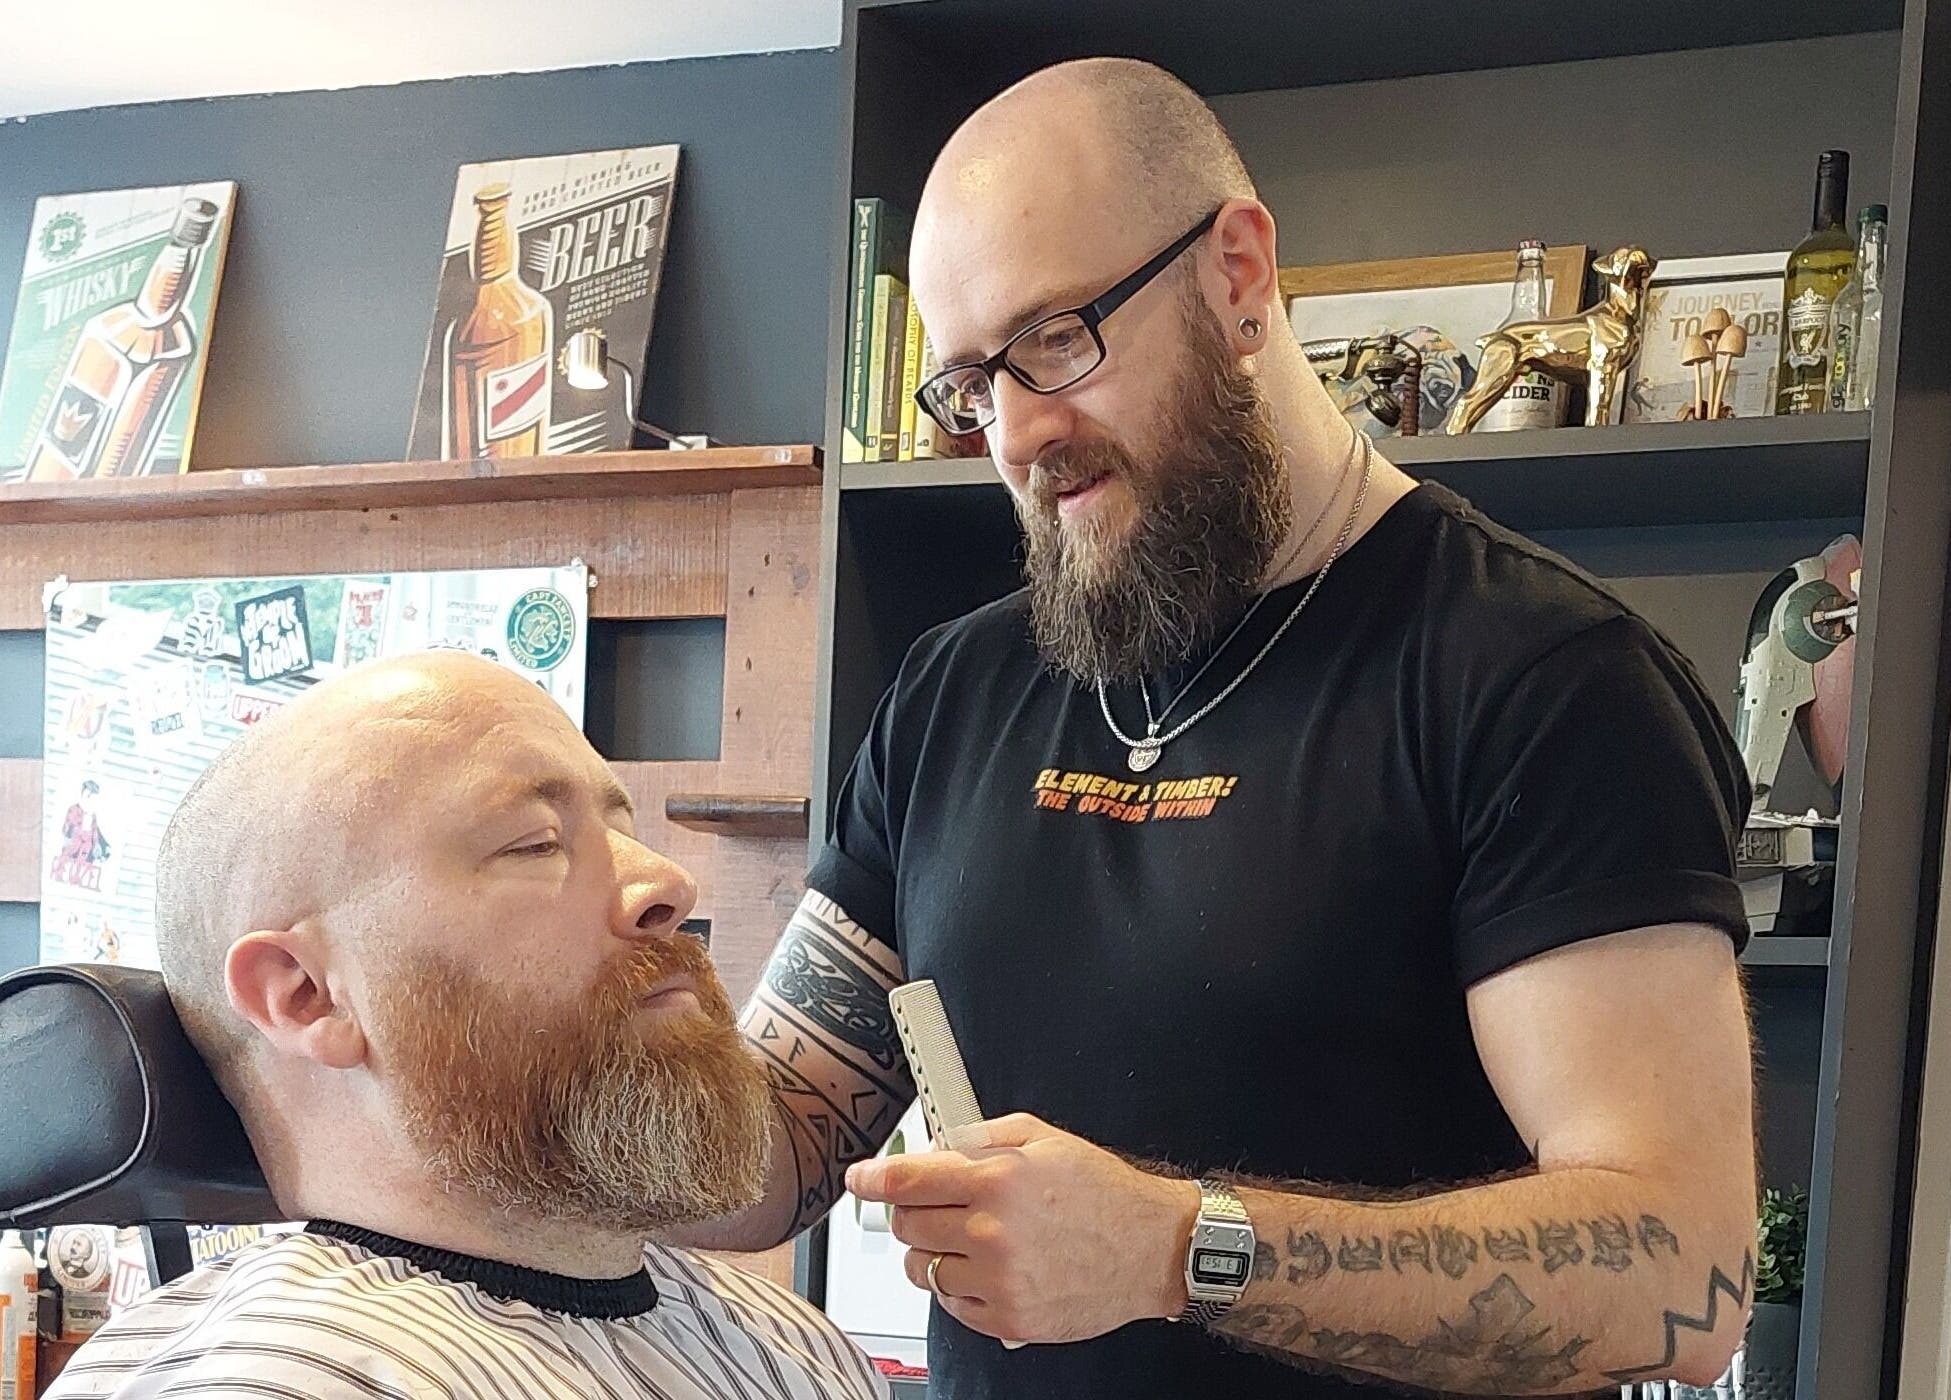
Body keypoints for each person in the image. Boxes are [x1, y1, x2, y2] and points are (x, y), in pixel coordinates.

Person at [673, 57, 1758, 1399]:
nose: (1018, 433)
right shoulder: (952, 692)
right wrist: (527, 1033)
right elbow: (773, 1139)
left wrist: (1178, 1250)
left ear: (1236, 275)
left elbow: (1679, 1278)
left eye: (1055, 340)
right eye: (970, 385)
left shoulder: (1544, 680)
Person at [46, 651, 885, 1400]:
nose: (667, 882)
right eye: (535, 843)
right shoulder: (278, 1382)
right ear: (307, 995)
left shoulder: (796, 1347)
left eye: (625, 832)